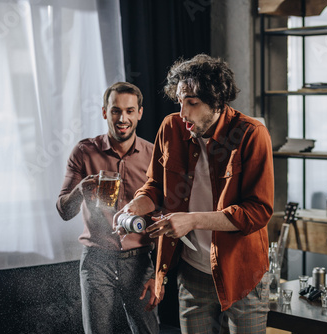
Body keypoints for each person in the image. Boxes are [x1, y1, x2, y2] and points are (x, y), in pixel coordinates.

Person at [117, 54, 274, 333]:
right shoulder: (171, 128)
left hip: (242, 274)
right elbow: (155, 186)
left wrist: (192, 220)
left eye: (192, 103)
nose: (183, 113)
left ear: (216, 102)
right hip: (192, 277)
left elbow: (257, 212)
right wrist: (135, 206)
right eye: (180, 102)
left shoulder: (251, 134)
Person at [56, 82, 159, 334]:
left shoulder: (153, 155)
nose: (122, 118)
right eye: (115, 110)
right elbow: (64, 211)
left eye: (129, 111)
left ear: (140, 113)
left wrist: (159, 272)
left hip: (140, 261)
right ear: (104, 112)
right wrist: (81, 189)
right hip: (96, 260)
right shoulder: (83, 152)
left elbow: (164, 216)